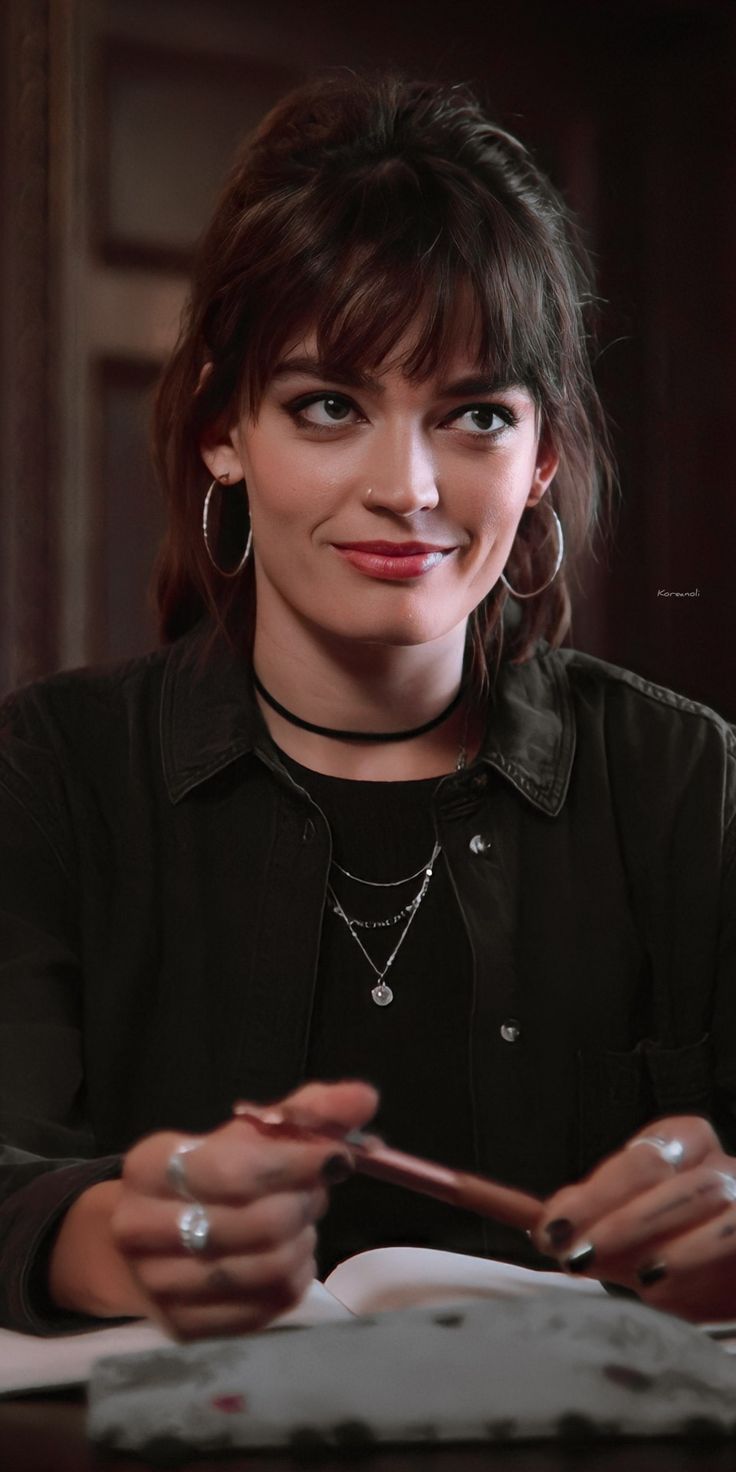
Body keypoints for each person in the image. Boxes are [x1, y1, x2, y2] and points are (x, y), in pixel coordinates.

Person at [0, 72, 734, 1342]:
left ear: (542, 453)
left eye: (473, 415)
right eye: (329, 405)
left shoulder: (689, 784)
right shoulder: (49, 773)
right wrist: (104, 1237)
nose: (407, 486)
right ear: (227, 425)